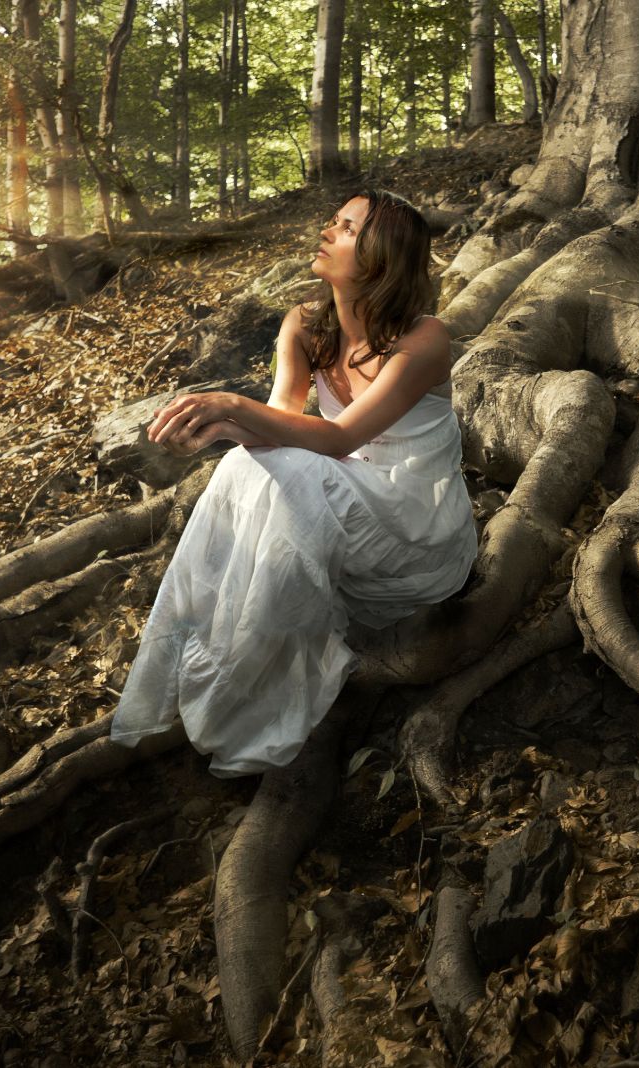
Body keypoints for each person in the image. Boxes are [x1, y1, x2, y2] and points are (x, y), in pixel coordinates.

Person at [109, 190, 477, 776]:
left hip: (419, 536)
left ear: (382, 256)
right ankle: (230, 662)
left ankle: (265, 680)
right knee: (239, 465)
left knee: (301, 470)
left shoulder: (424, 340)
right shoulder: (304, 325)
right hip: (346, 503)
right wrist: (218, 431)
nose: (327, 231)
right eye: (333, 220)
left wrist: (230, 402)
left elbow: (336, 439)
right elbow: (284, 421)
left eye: (348, 227)